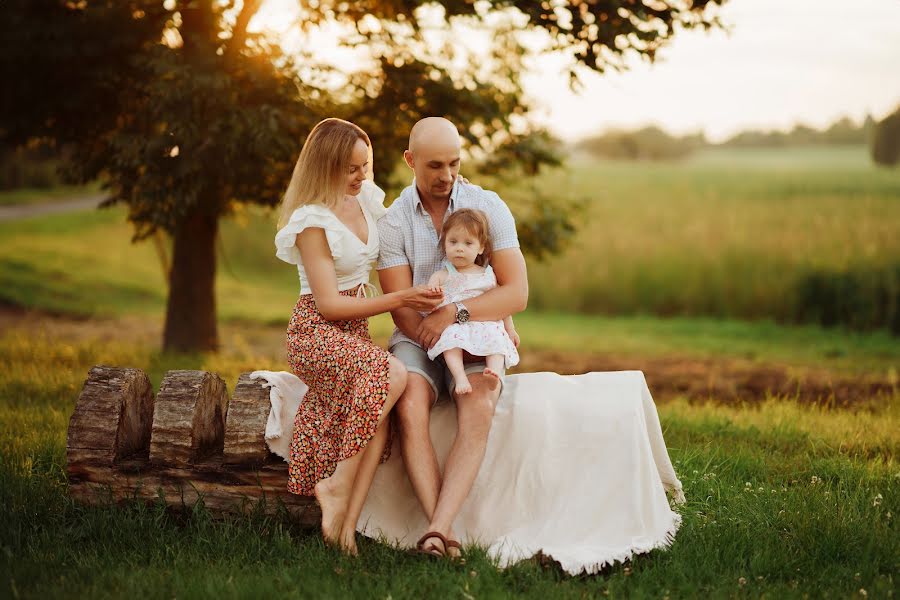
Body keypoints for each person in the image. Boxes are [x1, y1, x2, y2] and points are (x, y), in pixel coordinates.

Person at [273, 117, 443, 555]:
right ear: (324, 166)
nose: (360, 176)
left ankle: (345, 530)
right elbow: (328, 305)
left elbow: (404, 235)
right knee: (391, 373)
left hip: (354, 331)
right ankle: (336, 486)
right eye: (350, 168)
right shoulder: (311, 220)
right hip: (317, 331)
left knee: (380, 419)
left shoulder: (367, 200)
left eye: (364, 166)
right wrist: (400, 297)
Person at [377, 117, 529, 558]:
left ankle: (438, 530)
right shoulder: (393, 222)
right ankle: (443, 533)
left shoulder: (489, 206)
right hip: (418, 335)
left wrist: (454, 315)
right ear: (410, 161)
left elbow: (515, 292)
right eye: (435, 165)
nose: (447, 176)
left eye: (455, 164)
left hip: (477, 328)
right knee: (409, 400)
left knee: (480, 401)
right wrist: (436, 342)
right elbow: (401, 307)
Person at [425, 208, 520, 395]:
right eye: (453, 242)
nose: (459, 248)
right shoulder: (442, 275)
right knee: (450, 341)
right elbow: (429, 298)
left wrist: (510, 329)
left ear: (481, 248)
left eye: (468, 243)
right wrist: (433, 291)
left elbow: (502, 306)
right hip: (455, 325)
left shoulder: (488, 275)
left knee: (497, 337)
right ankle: (459, 376)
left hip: (485, 322)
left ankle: (493, 372)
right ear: (445, 244)